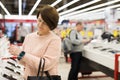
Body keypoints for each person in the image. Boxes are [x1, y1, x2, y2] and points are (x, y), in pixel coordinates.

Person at [8, 5, 61, 80]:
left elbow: (45, 65)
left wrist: (21, 54)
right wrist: (15, 55)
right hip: (28, 77)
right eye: (39, 20)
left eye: (45, 23)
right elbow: (23, 61)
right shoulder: (29, 37)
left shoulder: (55, 40)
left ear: (51, 25)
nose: (40, 25)